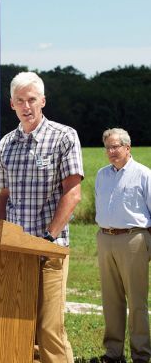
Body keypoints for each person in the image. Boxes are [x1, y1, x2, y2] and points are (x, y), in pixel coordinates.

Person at [0, 72, 84, 363]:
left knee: (49, 329)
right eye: (20, 100)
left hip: (49, 249)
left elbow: (73, 193)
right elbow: (4, 196)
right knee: (20, 326)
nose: (26, 106)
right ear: (11, 104)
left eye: (32, 99)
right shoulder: (5, 144)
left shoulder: (64, 136)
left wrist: (50, 236)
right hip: (15, 250)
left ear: (43, 101)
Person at [94, 128, 151, 363]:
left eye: (115, 146)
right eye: (108, 147)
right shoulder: (101, 175)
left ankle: (141, 354)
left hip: (133, 239)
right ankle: (113, 352)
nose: (111, 151)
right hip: (105, 238)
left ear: (127, 148)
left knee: (136, 300)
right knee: (110, 298)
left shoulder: (144, 174)